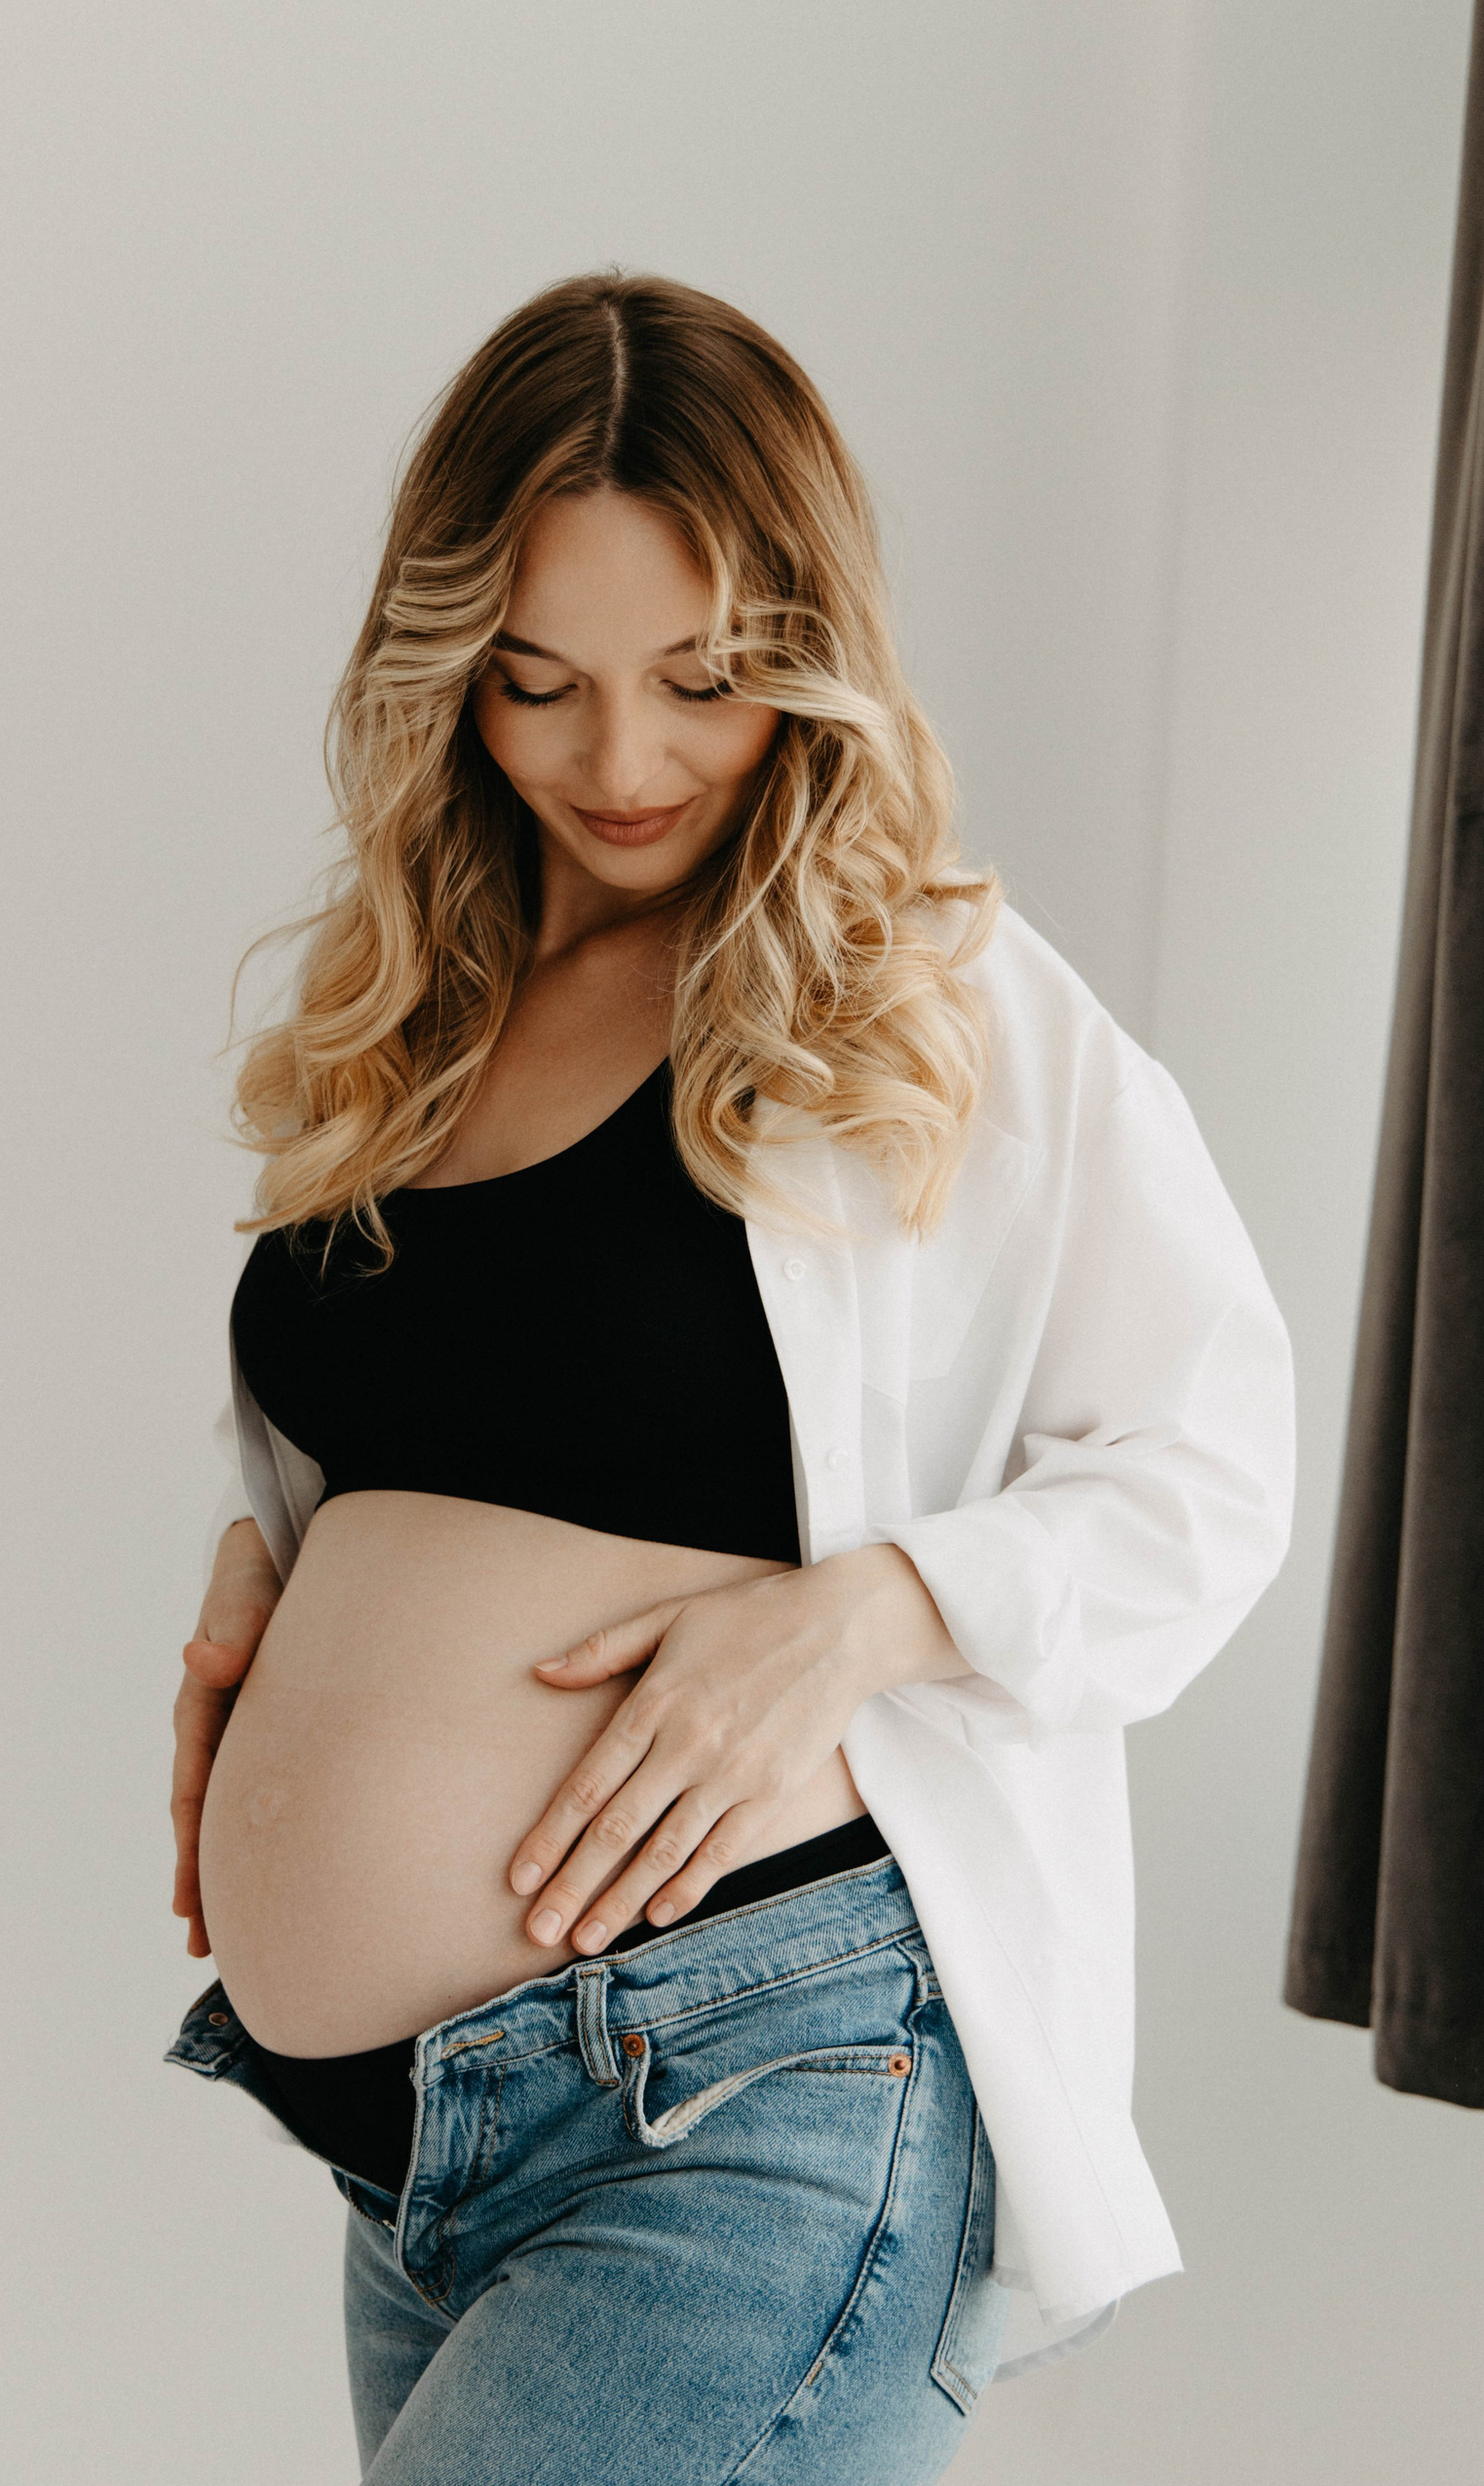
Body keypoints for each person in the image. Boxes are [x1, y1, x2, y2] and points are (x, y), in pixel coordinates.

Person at [164, 272, 1295, 2484]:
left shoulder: (925, 993)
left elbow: (1212, 1463)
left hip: (752, 2095)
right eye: (539, 681)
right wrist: (266, 1584)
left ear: (809, 647)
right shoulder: (418, 1006)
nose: (621, 764)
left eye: (701, 681)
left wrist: (872, 1614)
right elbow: (432, 1423)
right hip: (419, 2158)